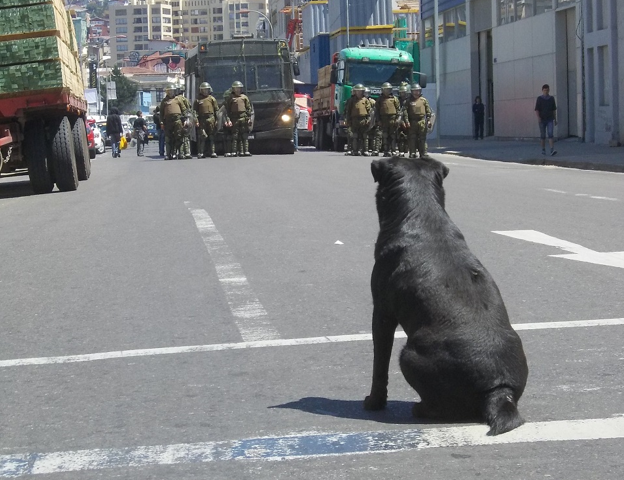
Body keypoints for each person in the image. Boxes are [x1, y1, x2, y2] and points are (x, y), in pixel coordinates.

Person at [402, 83, 432, 159]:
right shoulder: (408, 101)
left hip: (422, 121)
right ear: (411, 92)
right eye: (415, 91)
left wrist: (428, 120)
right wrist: (406, 121)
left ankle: (423, 153)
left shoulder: (423, 100)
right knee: (412, 138)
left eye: (418, 91)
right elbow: (405, 112)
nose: (416, 92)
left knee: (422, 138)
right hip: (412, 122)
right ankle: (412, 153)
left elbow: (428, 111)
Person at [224, 80, 252, 156]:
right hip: (234, 118)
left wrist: (249, 118)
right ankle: (234, 151)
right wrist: (228, 120)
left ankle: (245, 151)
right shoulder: (230, 98)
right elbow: (227, 110)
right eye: (236, 88)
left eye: (239, 88)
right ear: (233, 89)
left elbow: (248, 108)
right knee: (235, 136)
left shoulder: (244, 97)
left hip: (243, 118)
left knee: (244, 136)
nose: (238, 90)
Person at [160, 84, 187, 159]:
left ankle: (180, 153)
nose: (170, 92)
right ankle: (169, 154)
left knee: (179, 137)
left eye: (172, 91)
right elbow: (161, 113)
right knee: (168, 138)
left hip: (178, 121)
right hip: (168, 122)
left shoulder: (178, 99)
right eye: (169, 91)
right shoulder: (164, 101)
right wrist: (161, 122)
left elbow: (184, 110)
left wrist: (185, 120)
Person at [193, 82, 219, 158]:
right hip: (202, 120)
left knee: (211, 137)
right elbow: (194, 111)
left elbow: (216, 110)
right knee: (202, 137)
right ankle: (201, 152)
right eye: (203, 90)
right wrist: (196, 121)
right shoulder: (197, 100)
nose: (205, 91)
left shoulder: (212, 99)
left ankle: (212, 152)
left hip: (211, 119)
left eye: (206, 90)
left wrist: (217, 120)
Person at [344, 84, 371, 156]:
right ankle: (355, 150)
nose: (359, 93)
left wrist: (369, 119)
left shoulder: (365, 100)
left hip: (363, 120)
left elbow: (369, 111)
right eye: (357, 91)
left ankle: (365, 150)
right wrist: (348, 120)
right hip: (354, 120)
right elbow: (348, 111)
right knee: (354, 136)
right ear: (355, 92)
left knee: (365, 136)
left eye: (361, 91)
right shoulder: (351, 100)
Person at [376, 82, 400, 157]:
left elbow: (398, 110)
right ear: (382, 90)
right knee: (385, 136)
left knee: (393, 136)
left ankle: (393, 151)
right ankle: (386, 151)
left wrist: (397, 119)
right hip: (384, 120)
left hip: (392, 120)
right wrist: (378, 120)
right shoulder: (380, 99)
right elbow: (377, 111)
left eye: (388, 90)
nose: (387, 91)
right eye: (385, 90)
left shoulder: (394, 99)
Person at [535, 84, 557, 156]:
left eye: (547, 90)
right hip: (542, 119)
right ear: (542, 90)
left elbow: (554, 109)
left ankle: (552, 149)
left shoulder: (551, 99)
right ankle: (543, 149)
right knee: (543, 135)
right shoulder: (539, 99)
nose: (546, 92)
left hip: (550, 119)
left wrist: (555, 119)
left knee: (550, 134)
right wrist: (538, 117)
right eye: (544, 90)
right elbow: (537, 109)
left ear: (549, 90)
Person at [364, 87, 380, 156]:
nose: (366, 94)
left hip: (372, 120)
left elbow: (376, 111)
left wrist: (375, 120)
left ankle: (374, 150)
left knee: (374, 136)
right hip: (364, 120)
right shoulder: (361, 101)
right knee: (365, 136)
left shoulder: (372, 101)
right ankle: (365, 150)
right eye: (365, 93)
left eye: (367, 93)